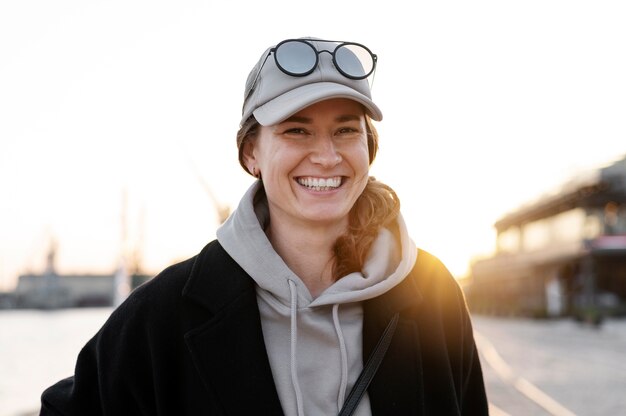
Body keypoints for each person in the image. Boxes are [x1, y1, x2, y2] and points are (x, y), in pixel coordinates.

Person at [40, 37, 488, 415]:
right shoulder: (165, 315)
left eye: (346, 131)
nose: (327, 156)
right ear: (251, 153)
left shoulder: (432, 294)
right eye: (297, 130)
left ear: (369, 148)